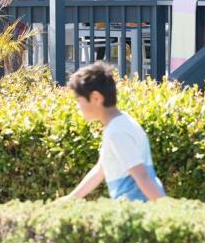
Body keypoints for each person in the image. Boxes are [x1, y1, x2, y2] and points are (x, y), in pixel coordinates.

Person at [63, 62, 166, 202]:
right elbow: (100, 170)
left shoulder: (117, 131)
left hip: (136, 211)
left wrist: (165, 209)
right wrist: (70, 199)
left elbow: (142, 176)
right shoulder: (120, 123)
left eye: (78, 100)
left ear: (96, 98)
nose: (77, 106)